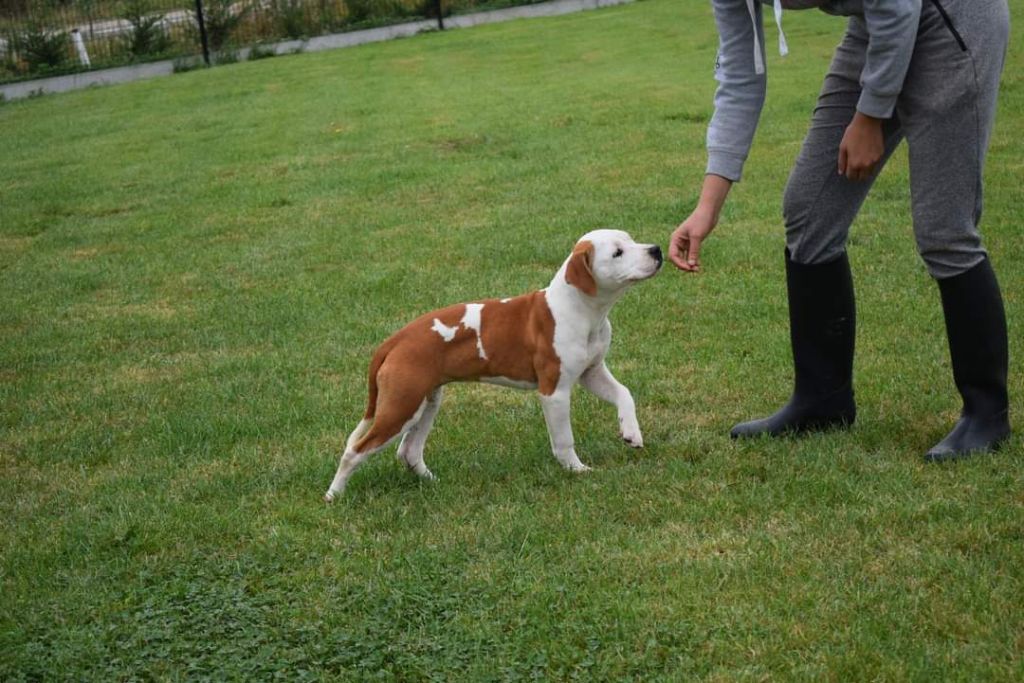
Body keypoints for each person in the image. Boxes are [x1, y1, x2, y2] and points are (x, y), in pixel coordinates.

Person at [669, 0, 1010, 461]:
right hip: (879, 25)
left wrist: (870, 115)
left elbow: (898, 5)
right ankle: (822, 400)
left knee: (943, 228)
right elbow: (739, 76)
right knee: (809, 211)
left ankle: (986, 415)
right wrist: (708, 205)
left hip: (952, 18)